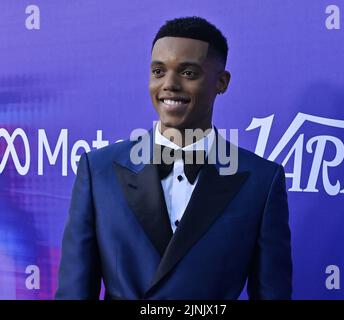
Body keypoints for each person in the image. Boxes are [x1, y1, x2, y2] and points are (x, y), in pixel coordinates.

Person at [56, 16, 292, 300]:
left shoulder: (261, 182)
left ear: (222, 82)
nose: (169, 84)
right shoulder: (98, 170)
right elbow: (74, 292)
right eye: (158, 71)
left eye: (188, 73)